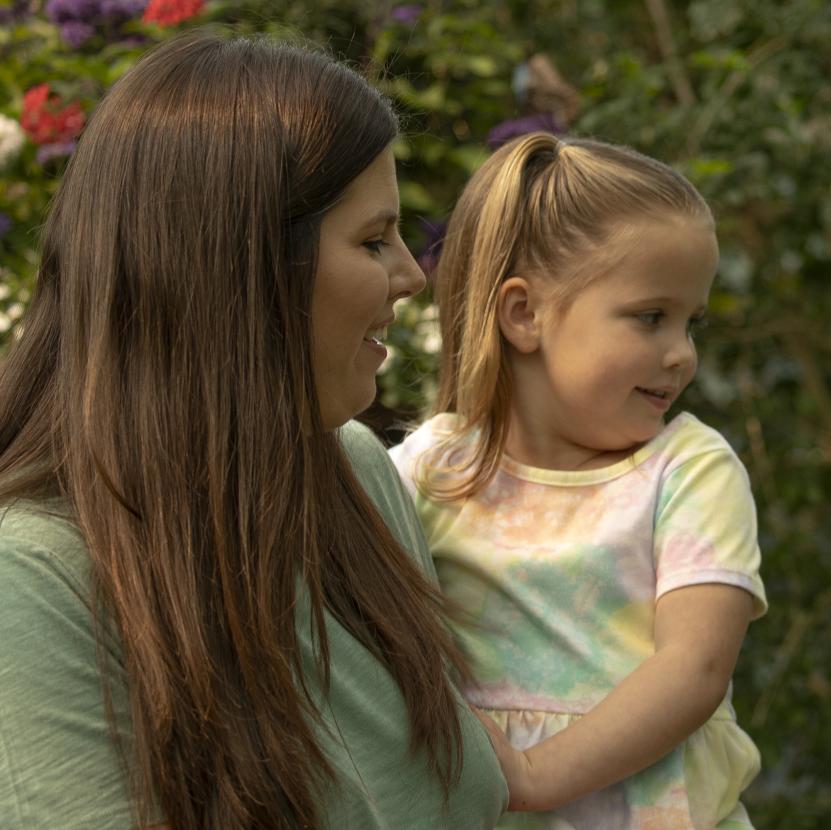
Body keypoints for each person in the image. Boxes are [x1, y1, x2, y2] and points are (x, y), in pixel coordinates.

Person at [0, 32, 507, 829]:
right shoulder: (36, 579)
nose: (411, 274)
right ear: (242, 271)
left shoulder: (354, 470)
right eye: (373, 239)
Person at [389, 132, 767, 829]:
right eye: (650, 317)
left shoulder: (688, 469)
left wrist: (536, 774)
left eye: (691, 322)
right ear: (524, 314)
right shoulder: (431, 469)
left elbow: (693, 669)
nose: (681, 354)